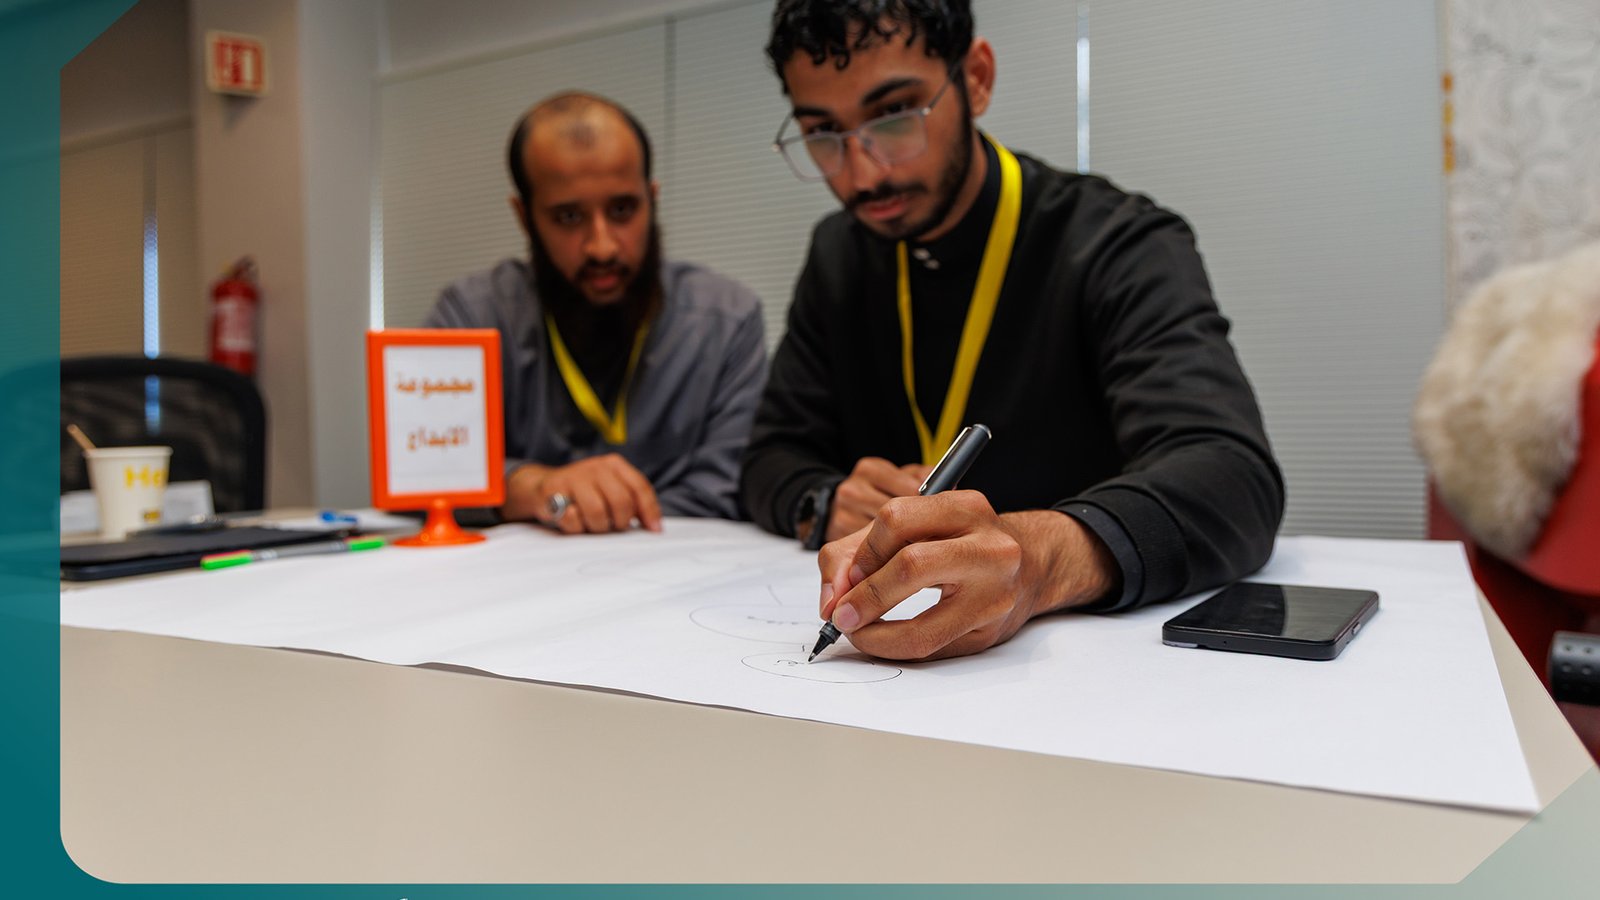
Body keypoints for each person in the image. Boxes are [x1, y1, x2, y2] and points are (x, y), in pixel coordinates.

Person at [741, 0, 1284, 660]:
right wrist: (826, 500)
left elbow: (1231, 474)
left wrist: (1043, 558)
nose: (863, 174)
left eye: (895, 115)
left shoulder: (1119, 242)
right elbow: (770, 457)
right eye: (823, 133)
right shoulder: (838, 254)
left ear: (975, 79)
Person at [427, 93, 768, 533]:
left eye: (623, 210)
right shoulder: (471, 316)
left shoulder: (727, 321)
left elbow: (729, 487)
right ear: (525, 217)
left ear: (652, 200)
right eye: (569, 217)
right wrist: (532, 487)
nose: (602, 246)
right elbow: (424, 469)